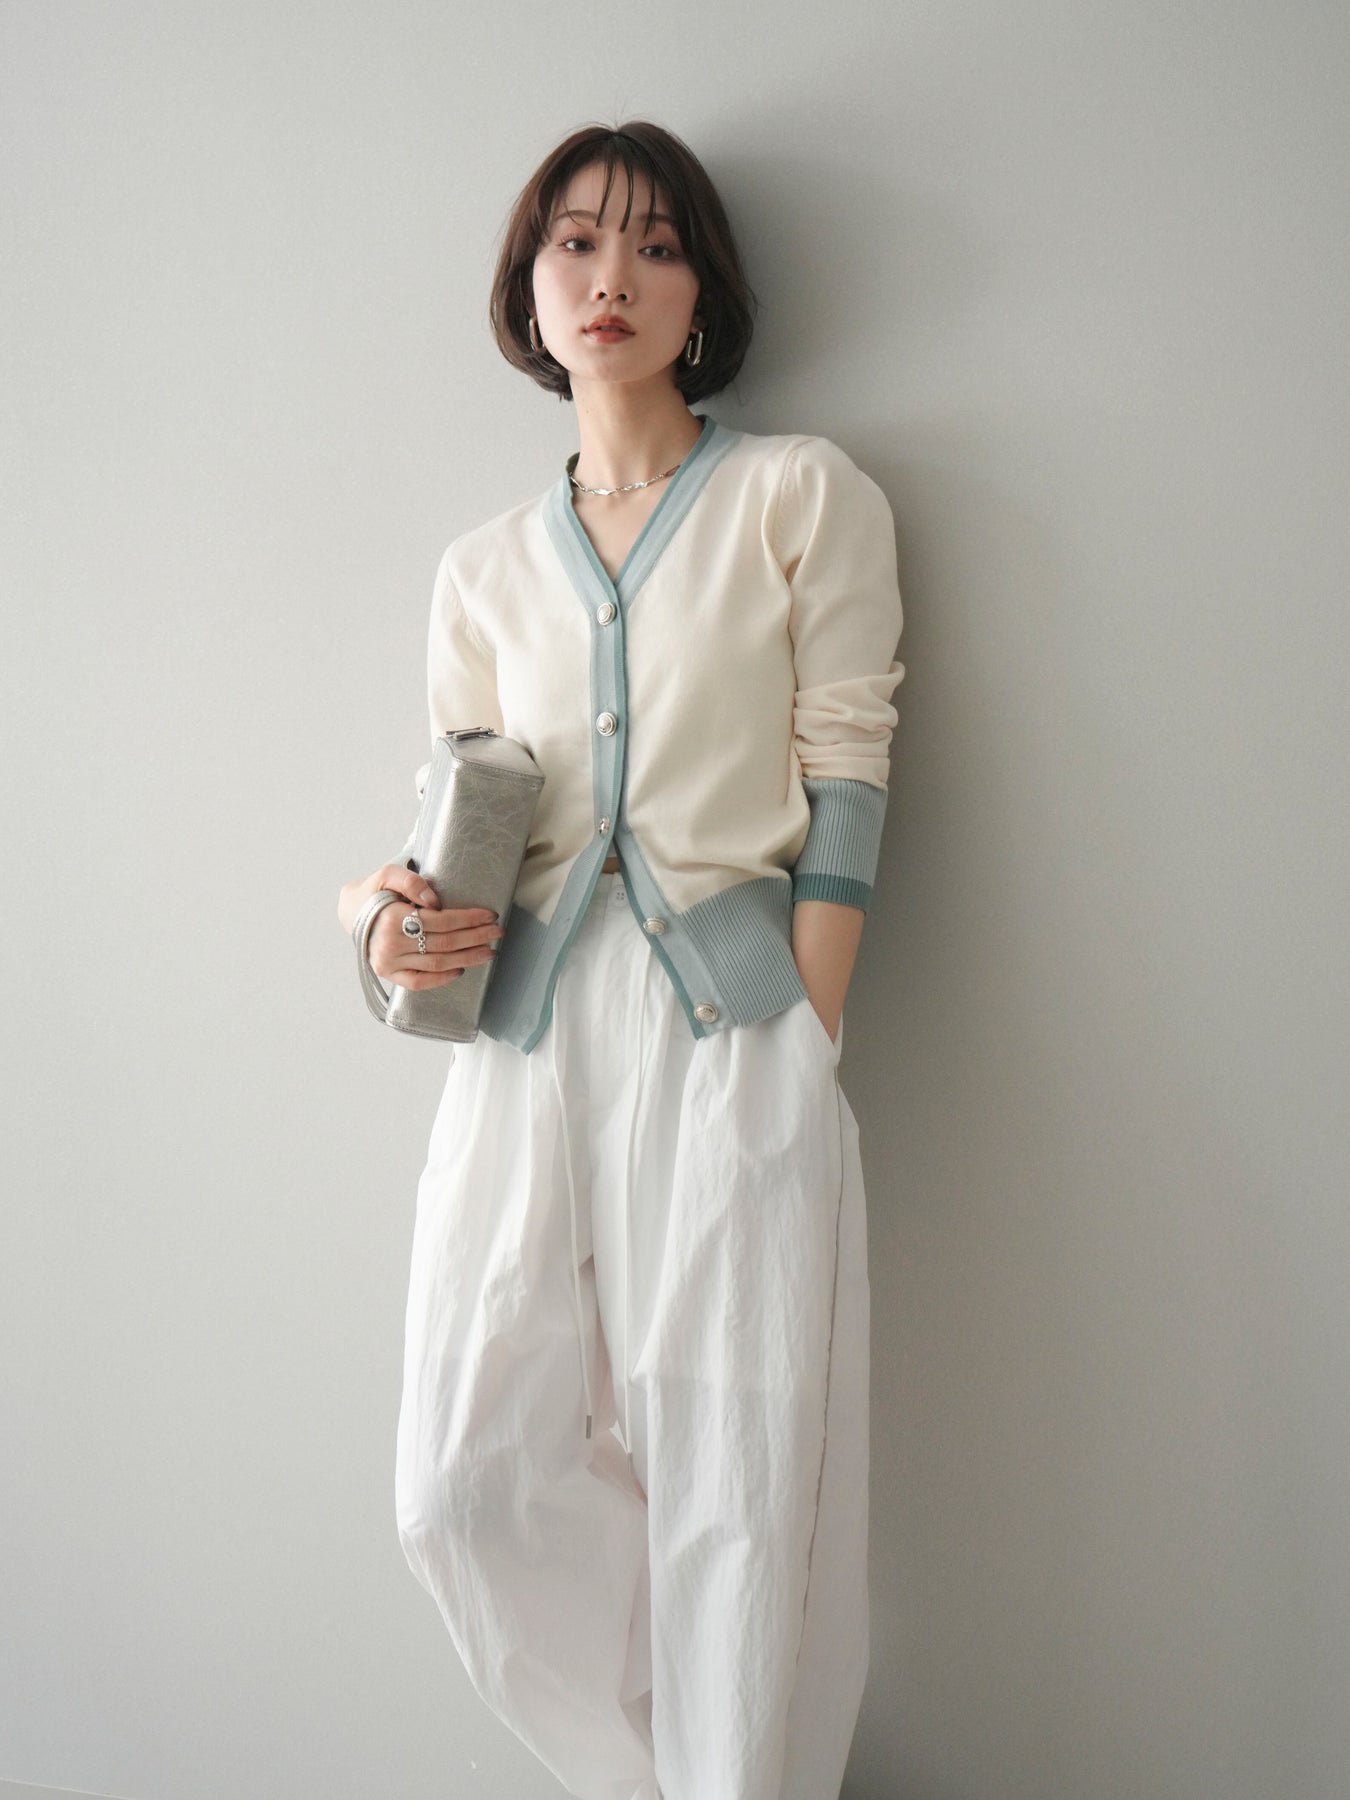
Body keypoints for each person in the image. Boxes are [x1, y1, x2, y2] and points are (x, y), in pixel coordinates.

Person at [336, 119, 904, 1800]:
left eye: (656, 245)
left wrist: (805, 1026)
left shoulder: (801, 494)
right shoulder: (480, 570)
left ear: (702, 292)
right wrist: (369, 920)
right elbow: (457, 825)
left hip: (734, 1027)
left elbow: (848, 767)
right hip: (524, 1043)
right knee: (458, 1486)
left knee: (737, 1480)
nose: (611, 276)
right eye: (575, 242)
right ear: (528, 286)